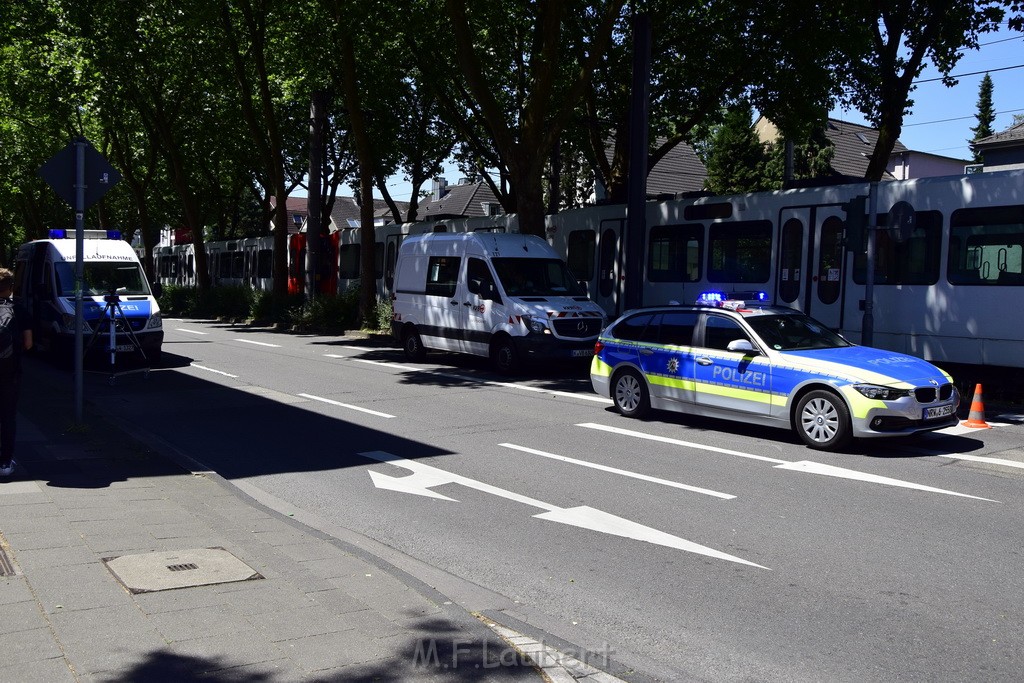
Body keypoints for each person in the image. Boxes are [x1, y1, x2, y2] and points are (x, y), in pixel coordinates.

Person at [0, 268, 33, 477]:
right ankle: (5, 464)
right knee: (8, 416)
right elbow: (28, 343)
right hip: (10, 372)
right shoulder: (19, 309)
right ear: (11, 287)